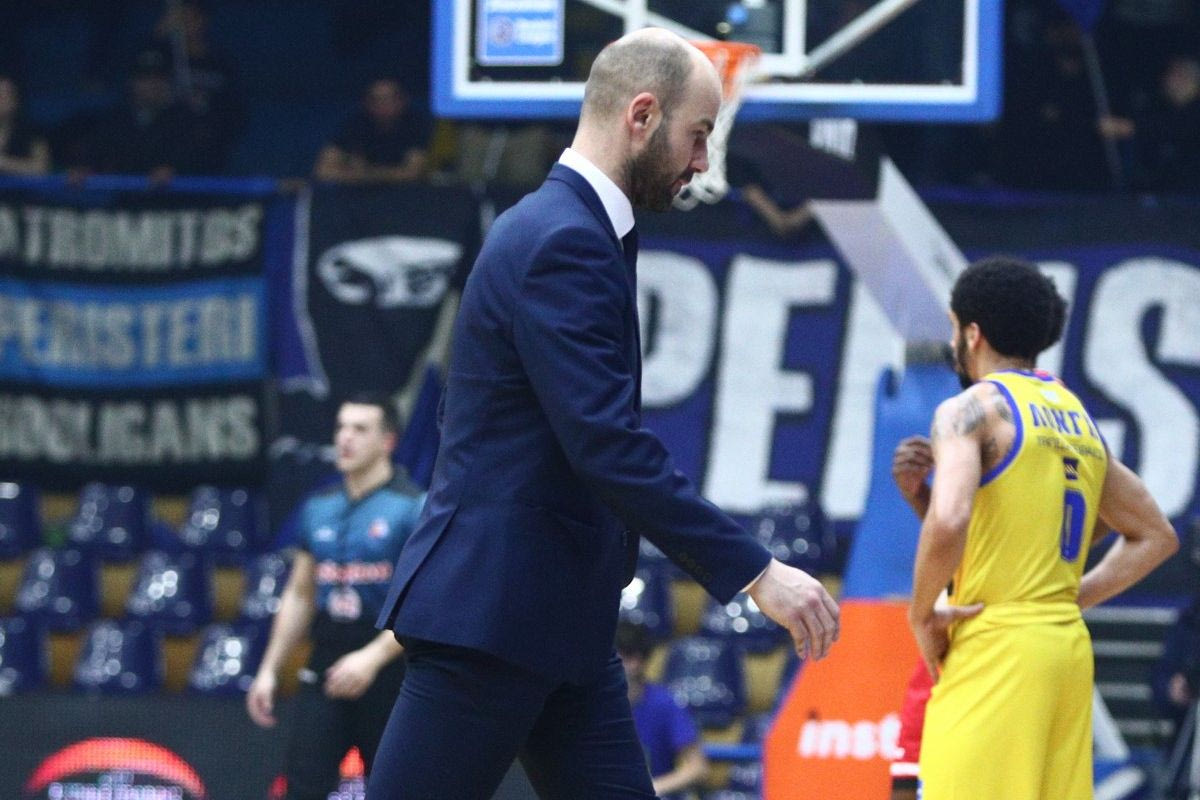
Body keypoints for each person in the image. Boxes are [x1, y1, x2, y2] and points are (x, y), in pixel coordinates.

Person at [368, 27, 840, 800]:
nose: (702, 162)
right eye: (698, 135)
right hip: (496, 615)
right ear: (642, 116)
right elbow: (606, 446)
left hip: (560, 620)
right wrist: (756, 572)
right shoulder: (563, 239)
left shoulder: (572, 230)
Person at [908, 255, 1179, 799]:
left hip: (996, 644)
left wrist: (921, 614)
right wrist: (1068, 599)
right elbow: (1155, 534)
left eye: (955, 329)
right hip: (1065, 649)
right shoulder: (1076, 417)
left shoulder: (970, 410)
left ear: (972, 333)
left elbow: (950, 516)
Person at [246, 394, 425, 800]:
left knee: (397, 789)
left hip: (391, 666)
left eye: (360, 429)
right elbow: (300, 593)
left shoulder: (414, 507)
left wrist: (371, 659)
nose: (345, 438)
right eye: (341, 427)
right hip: (326, 660)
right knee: (301, 788)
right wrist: (270, 669)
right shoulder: (318, 507)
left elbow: (426, 604)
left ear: (388, 441)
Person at [616, 622, 709, 799]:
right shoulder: (591, 704)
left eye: (617, 657)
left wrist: (651, 788)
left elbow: (698, 768)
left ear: (636, 660)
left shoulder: (665, 704)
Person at [313, 78, 432, 184]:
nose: (382, 105)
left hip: (408, 195)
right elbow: (323, 171)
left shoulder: (417, 125)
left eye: (389, 99)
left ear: (403, 101)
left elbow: (413, 173)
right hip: (359, 196)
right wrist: (382, 175)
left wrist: (364, 173)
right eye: (375, 99)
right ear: (366, 102)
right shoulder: (354, 125)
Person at [0, 74, 51, 176]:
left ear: (16, 100)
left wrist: (3, 162)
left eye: (7, 94)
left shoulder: (31, 132)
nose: (2, 100)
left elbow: (41, 168)